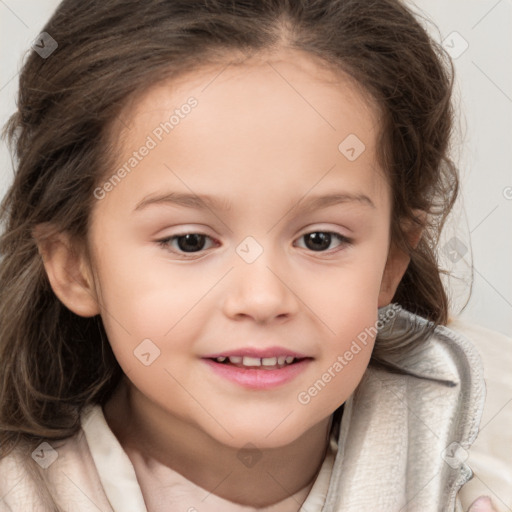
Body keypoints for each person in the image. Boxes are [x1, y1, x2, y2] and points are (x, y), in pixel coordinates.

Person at [0, 1, 508, 510]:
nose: (262, 299)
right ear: (73, 266)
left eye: (320, 240)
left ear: (392, 260)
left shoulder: (484, 467)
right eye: (190, 241)